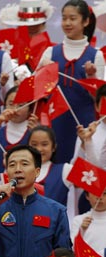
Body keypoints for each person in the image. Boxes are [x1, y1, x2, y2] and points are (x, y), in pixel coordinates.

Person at [37, 0, 104, 163]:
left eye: (72, 18)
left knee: (81, 169)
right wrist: (43, 73)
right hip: (55, 120)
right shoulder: (50, 52)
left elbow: (99, 99)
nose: (67, 23)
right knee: (54, 167)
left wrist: (91, 77)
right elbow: (37, 91)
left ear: (86, 21)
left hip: (83, 122)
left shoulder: (96, 56)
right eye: (64, 18)